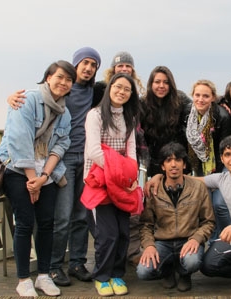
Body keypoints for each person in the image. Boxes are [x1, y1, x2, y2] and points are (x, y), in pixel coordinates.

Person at [7, 47, 102, 286]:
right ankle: (53, 266)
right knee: (61, 216)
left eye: (94, 65)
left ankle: (77, 262)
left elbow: (126, 93)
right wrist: (11, 99)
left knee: (81, 214)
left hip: (86, 158)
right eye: (85, 63)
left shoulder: (96, 91)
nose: (89, 68)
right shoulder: (58, 93)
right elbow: (28, 109)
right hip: (61, 160)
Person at [144, 135, 231, 296]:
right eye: (227, 155)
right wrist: (159, 176)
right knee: (208, 265)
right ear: (222, 159)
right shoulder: (221, 179)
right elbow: (185, 177)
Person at [0, 60, 76, 297]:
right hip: (18, 170)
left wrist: (44, 177)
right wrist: (33, 181)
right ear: (48, 77)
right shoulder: (27, 99)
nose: (63, 83)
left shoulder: (64, 111)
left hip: (46, 174)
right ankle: (23, 279)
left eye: (68, 80)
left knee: (46, 224)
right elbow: (19, 141)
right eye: (59, 77)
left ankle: (43, 276)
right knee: (24, 223)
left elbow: (62, 144)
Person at [83, 72, 140, 296]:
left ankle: (117, 274)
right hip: (100, 179)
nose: (121, 91)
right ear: (109, 88)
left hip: (122, 180)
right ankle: (102, 276)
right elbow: (94, 151)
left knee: (123, 231)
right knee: (107, 233)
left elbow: (132, 150)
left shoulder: (130, 117)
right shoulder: (95, 115)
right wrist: (117, 173)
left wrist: (132, 177)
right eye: (117, 87)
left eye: (127, 89)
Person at [93, 51, 148, 268]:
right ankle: (103, 270)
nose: (124, 69)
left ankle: (125, 259)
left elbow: (133, 141)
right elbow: (94, 148)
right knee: (107, 228)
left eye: (128, 66)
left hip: (129, 165)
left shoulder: (133, 107)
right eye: (120, 66)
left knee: (128, 219)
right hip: (103, 169)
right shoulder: (99, 98)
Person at [136, 142, 215, 292]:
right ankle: (167, 272)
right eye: (168, 160)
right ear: (162, 167)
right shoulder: (154, 190)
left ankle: (185, 274)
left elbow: (208, 221)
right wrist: (149, 246)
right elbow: (146, 225)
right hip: (163, 243)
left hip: (188, 240)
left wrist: (196, 238)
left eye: (178, 160)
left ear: (184, 164)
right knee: (143, 271)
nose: (174, 164)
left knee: (192, 262)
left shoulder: (198, 188)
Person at [186, 79, 231, 241]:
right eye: (197, 95)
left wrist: (216, 175)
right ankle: (213, 243)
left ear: (213, 97)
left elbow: (226, 148)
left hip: (220, 166)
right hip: (199, 167)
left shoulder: (222, 115)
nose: (200, 99)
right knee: (207, 208)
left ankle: (229, 237)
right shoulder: (187, 115)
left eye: (205, 96)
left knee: (219, 204)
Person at [140, 66, 192, 177]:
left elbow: (197, 110)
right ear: (151, 84)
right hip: (154, 160)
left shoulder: (180, 100)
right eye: (157, 82)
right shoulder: (143, 103)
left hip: (177, 158)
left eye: (166, 82)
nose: (161, 86)